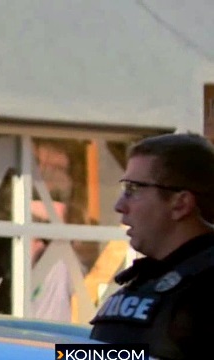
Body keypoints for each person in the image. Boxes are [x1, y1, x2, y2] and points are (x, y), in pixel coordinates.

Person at [89, 133, 214, 359]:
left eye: (133, 190)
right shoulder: (148, 280)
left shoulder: (206, 288)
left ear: (180, 203)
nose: (119, 206)